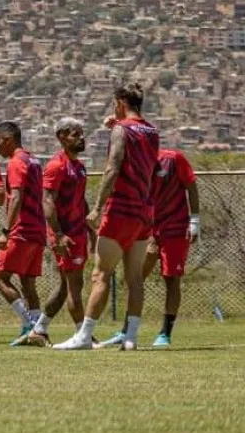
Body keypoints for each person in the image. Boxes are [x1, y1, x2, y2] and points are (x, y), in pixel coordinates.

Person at [55, 84, 160, 351]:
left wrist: (97, 207)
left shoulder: (121, 130)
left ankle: (84, 336)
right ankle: (131, 338)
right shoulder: (152, 131)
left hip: (120, 211)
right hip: (144, 212)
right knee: (135, 277)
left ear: (121, 102)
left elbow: (114, 166)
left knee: (100, 275)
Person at [101, 149, 199, 348]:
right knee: (135, 278)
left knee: (171, 279)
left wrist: (195, 221)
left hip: (175, 227)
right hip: (147, 226)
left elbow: (191, 186)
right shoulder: (133, 163)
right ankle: (126, 331)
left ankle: (165, 333)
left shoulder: (173, 158)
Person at [14, 117, 91, 347]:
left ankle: (39, 329)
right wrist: (58, 234)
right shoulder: (56, 166)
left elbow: (82, 202)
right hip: (65, 235)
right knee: (74, 285)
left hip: (78, 233)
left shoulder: (79, 166)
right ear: (61, 137)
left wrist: (91, 230)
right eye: (74, 134)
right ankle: (83, 335)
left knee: (67, 285)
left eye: (81, 133)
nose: (81, 137)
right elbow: (47, 201)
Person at [0, 121, 46, 344]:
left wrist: (6, 229)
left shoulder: (16, 162)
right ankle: (38, 330)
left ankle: (30, 326)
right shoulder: (33, 160)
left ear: (8, 139)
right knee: (27, 282)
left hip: (22, 230)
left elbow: (16, 197)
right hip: (38, 229)